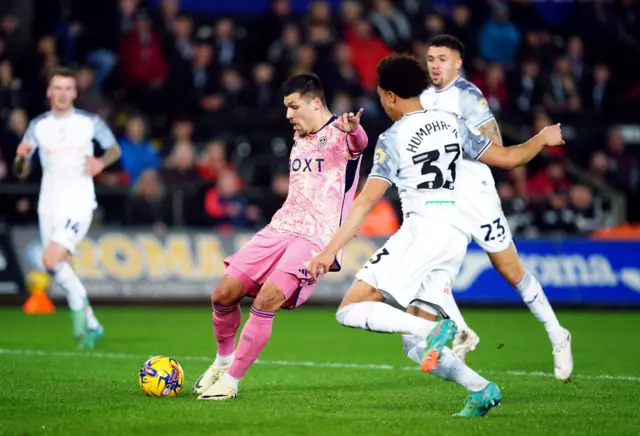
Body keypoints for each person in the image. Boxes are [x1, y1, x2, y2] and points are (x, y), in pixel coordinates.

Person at [307, 53, 565, 416]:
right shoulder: (451, 121)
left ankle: (442, 331)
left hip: (421, 231)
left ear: (391, 96)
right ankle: (480, 389)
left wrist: (327, 251)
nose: (382, 101)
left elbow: (365, 203)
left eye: (382, 95)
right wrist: (541, 138)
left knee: (349, 309)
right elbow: (509, 159)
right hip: (454, 235)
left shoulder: (392, 138)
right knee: (413, 342)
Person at [194, 73, 369, 400]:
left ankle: (230, 382)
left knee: (266, 300)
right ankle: (222, 362)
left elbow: (359, 145)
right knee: (222, 294)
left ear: (315, 103)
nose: (288, 114)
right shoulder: (299, 136)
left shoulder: (341, 134)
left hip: (316, 237)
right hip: (280, 228)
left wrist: (355, 130)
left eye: (293, 106)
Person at [418, 35, 573, 380]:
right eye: (430, 58)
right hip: (443, 198)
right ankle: (460, 333)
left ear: (457, 63)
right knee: (432, 268)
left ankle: (557, 335)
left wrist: (454, 140)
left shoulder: (468, 97)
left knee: (511, 271)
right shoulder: (421, 97)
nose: (434, 64)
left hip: (476, 195)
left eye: (442, 58)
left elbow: (498, 146)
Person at [13, 67, 121, 349]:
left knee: (50, 259)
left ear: (75, 92)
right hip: (48, 205)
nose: (62, 94)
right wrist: (22, 159)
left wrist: (100, 162)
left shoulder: (89, 122)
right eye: (57, 88)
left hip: (79, 201)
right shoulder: (38, 125)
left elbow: (114, 149)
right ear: (49, 92)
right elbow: (21, 170)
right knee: (59, 266)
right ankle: (94, 325)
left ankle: (77, 308)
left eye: (67, 88)